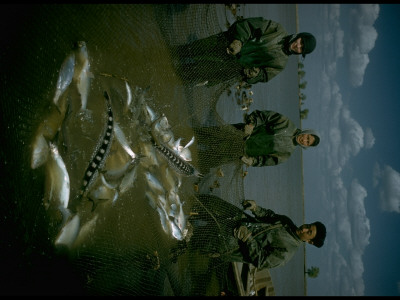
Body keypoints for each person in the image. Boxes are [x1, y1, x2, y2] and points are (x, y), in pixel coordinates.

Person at [169, 195, 327, 270]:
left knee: (189, 239)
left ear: (309, 241)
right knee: (203, 202)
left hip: (231, 244)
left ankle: (167, 245)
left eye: (309, 232)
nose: (305, 228)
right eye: (309, 225)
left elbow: (261, 261)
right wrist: (256, 208)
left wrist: (248, 237)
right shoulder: (287, 222)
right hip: (238, 220)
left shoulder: (287, 252)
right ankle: (174, 205)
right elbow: (269, 215)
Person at [172, 17, 316, 87]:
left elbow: (263, 76)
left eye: (301, 49)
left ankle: (168, 77)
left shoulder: (281, 63)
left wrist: (254, 74)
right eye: (301, 41)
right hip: (227, 43)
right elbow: (248, 25)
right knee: (186, 50)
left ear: (300, 53)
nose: (298, 46)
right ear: (299, 36)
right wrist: (238, 41)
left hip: (230, 68)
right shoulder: (276, 29)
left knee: (188, 73)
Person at [193, 109, 320, 174]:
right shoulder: (287, 124)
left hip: (240, 152)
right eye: (307, 137)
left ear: (306, 146)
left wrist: (251, 161)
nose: (304, 140)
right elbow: (264, 116)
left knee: (203, 159)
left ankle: (184, 163)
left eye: (307, 142)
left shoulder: (286, 154)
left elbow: (265, 161)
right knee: (201, 135)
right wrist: (251, 124)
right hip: (239, 132)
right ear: (306, 132)